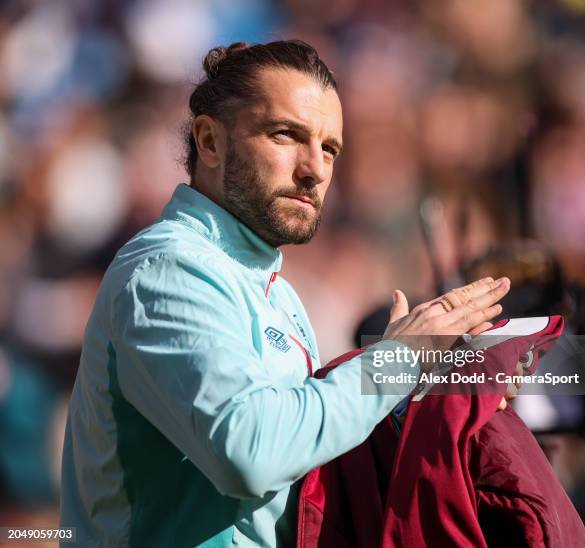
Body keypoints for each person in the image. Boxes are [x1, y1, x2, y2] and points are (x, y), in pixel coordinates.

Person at [60, 40, 511, 547]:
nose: (315, 169)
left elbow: (305, 466)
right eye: (286, 134)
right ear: (209, 141)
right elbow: (250, 454)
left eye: (329, 148)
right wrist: (396, 361)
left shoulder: (276, 293)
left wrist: (428, 394)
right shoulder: (167, 270)